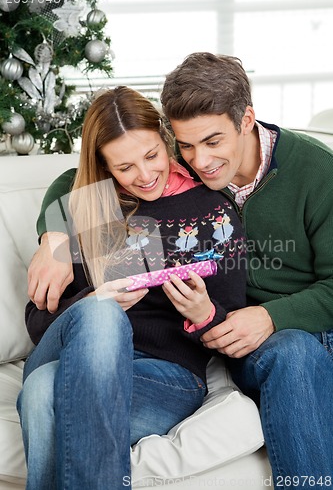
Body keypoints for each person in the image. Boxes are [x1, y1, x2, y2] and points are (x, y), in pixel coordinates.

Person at [28, 53, 333, 489]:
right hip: (218, 334)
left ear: (247, 119)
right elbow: (81, 178)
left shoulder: (316, 173)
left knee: (295, 354)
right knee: (50, 380)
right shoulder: (175, 161)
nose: (200, 160)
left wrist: (270, 317)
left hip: (289, 328)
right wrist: (53, 234)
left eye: (212, 142)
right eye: (185, 146)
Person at [17, 85, 247, 490]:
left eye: (152, 155)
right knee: (102, 312)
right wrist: (93, 302)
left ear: (166, 139)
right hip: (70, 348)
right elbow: (38, 323)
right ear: (104, 167)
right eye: (124, 168)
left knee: (40, 393)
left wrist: (202, 314)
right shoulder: (87, 204)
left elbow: (231, 318)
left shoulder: (211, 209)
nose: (144, 175)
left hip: (166, 374)